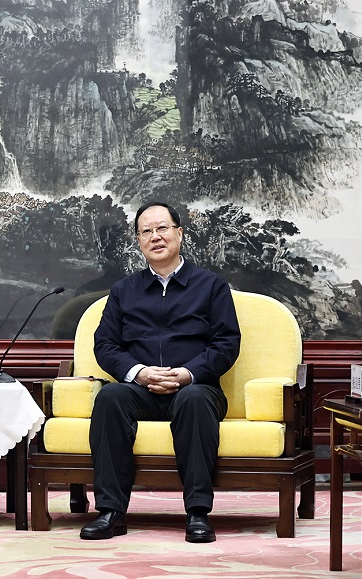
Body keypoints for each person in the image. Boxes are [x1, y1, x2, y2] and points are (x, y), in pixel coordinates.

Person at [78, 201, 240, 544]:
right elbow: (105, 345)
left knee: (194, 399)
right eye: (146, 231)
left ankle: (197, 513)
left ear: (179, 233)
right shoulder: (124, 291)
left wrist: (187, 373)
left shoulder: (211, 286)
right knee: (110, 396)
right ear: (139, 241)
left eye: (162, 228)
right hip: (141, 390)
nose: (155, 237)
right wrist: (138, 373)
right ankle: (110, 512)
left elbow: (226, 344)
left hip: (196, 388)